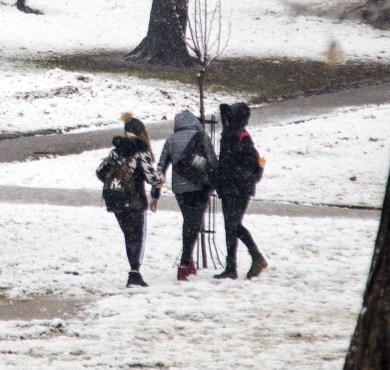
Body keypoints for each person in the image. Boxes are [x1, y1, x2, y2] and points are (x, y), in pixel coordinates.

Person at [150, 108, 217, 280]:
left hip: (180, 190)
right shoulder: (202, 136)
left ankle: (188, 263)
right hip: (199, 187)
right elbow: (212, 162)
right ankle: (184, 264)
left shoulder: (171, 140)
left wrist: (155, 193)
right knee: (193, 224)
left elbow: (161, 167)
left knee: (190, 222)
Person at [96, 114, 163, 288]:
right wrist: (161, 175)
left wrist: (117, 181)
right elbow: (152, 178)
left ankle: (134, 273)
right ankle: (134, 274)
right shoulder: (140, 151)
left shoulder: (116, 150)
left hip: (116, 200)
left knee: (128, 235)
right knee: (137, 236)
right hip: (134, 200)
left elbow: (100, 171)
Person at [213, 102, 267, 280]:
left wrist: (232, 177)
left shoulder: (240, 137)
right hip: (233, 188)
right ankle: (231, 266)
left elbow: (248, 164)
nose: (225, 121)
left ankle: (255, 257)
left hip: (237, 189)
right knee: (231, 226)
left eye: (228, 117)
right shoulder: (232, 136)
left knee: (233, 225)